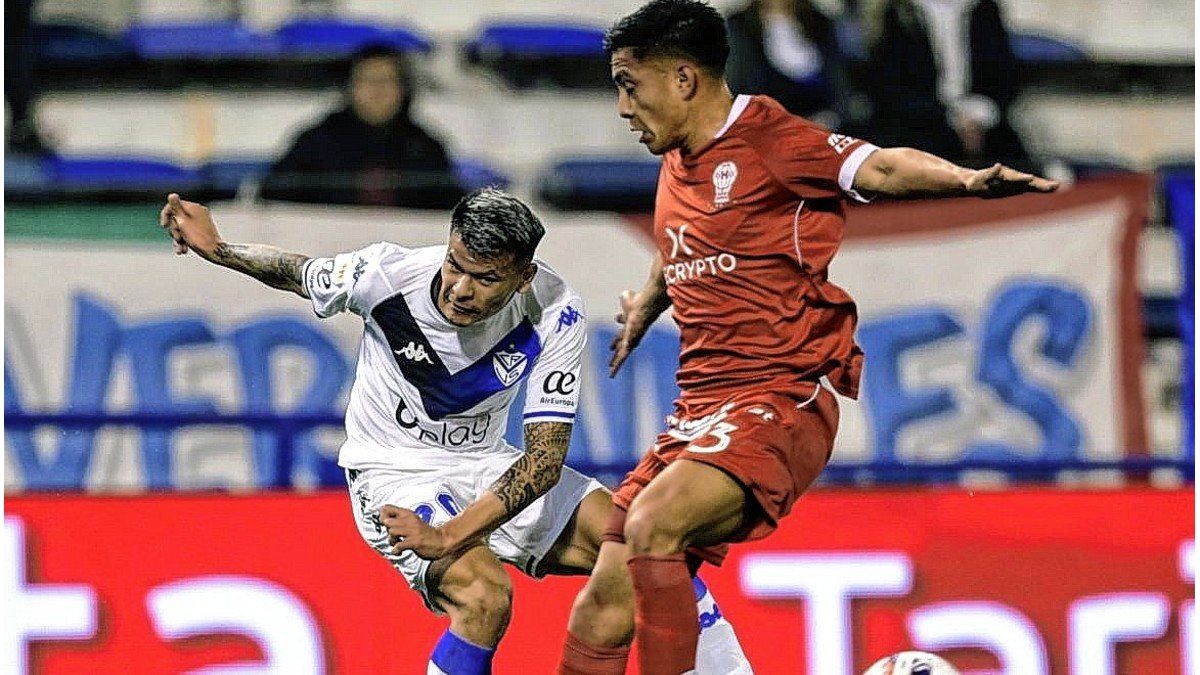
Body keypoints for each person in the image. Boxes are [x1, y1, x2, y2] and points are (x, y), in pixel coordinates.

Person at [550, 1, 1059, 673]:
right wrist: (648, 303)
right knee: (601, 605)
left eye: (629, 83)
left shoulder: (770, 137)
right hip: (697, 413)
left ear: (682, 79)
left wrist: (967, 177)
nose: (622, 106)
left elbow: (877, 168)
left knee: (652, 528)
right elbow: (684, 243)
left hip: (778, 401)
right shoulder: (676, 159)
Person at [157, 188, 752, 675]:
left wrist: (452, 534)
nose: (461, 289)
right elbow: (297, 271)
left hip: (492, 462)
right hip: (392, 471)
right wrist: (222, 249)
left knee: (648, 545)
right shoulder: (386, 274)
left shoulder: (555, 311)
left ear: (522, 278)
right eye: (455, 265)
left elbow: (543, 462)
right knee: (484, 597)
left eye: (485, 278)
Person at [259, 44, 466, 208]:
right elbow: (272, 196)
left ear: (404, 89)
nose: (377, 90)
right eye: (368, 80)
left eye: (387, 80)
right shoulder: (316, 141)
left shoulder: (425, 147)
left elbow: (448, 212)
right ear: (350, 88)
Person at [863, 0, 1031, 170]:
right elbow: (889, 89)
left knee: (1021, 169)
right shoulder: (898, 12)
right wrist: (950, 118)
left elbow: (1004, 78)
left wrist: (978, 117)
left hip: (980, 119)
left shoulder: (984, 9)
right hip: (919, 121)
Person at [725, 0, 847, 125]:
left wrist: (831, 117)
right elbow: (739, 85)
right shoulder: (740, 25)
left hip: (825, 124)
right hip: (770, 127)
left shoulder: (820, 22)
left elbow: (839, 83)